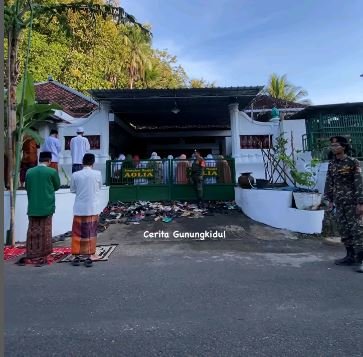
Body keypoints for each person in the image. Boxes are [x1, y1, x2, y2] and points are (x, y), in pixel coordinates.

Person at [324, 136, 363, 273]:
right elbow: (329, 182)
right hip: (339, 203)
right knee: (344, 230)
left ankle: (361, 259)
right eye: (332, 146)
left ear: (344, 147)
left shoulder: (353, 162)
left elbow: (359, 183)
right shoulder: (332, 164)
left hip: (352, 203)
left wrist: (361, 203)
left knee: (357, 231)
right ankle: (350, 256)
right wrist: (328, 199)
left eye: (336, 145)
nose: (333, 148)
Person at [17, 151, 61, 266]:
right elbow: (57, 186)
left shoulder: (29, 172)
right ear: (49, 161)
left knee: (32, 230)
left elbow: (27, 187)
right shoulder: (52, 171)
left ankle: (32, 253)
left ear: (39, 160)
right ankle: (44, 254)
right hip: (47, 206)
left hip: (33, 206)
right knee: (45, 231)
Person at [70, 153, 102, 267]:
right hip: (92, 207)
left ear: (82, 162)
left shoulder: (75, 174)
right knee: (90, 232)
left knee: (77, 232)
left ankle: (76, 255)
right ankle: (90, 255)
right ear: (93, 163)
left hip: (79, 207)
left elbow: (73, 190)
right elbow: (99, 187)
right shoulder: (97, 174)